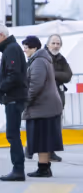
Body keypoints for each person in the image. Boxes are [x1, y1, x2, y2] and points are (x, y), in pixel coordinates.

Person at [20, 36, 64, 178]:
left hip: (43, 107)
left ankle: (44, 169)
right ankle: (44, 168)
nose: (25, 50)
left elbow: (35, 85)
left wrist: (26, 101)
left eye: (26, 47)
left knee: (42, 139)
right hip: (44, 107)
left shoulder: (38, 61)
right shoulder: (40, 59)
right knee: (42, 139)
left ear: (34, 48)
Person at [0, 24, 28, 182]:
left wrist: (1, 89)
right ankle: (18, 169)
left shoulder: (11, 49)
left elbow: (14, 75)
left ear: (2, 35)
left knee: (13, 134)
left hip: (13, 97)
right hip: (14, 97)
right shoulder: (11, 48)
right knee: (13, 134)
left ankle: (18, 169)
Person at [36, 34, 71, 163]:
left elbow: (68, 75)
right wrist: (56, 75)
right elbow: (41, 74)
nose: (56, 46)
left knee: (54, 126)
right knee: (45, 126)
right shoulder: (42, 57)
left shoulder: (61, 59)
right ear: (47, 44)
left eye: (58, 43)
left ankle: (50, 152)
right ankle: (36, 150)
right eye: (53, 43)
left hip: (58, 97)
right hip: (45, 97)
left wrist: (52, 74)